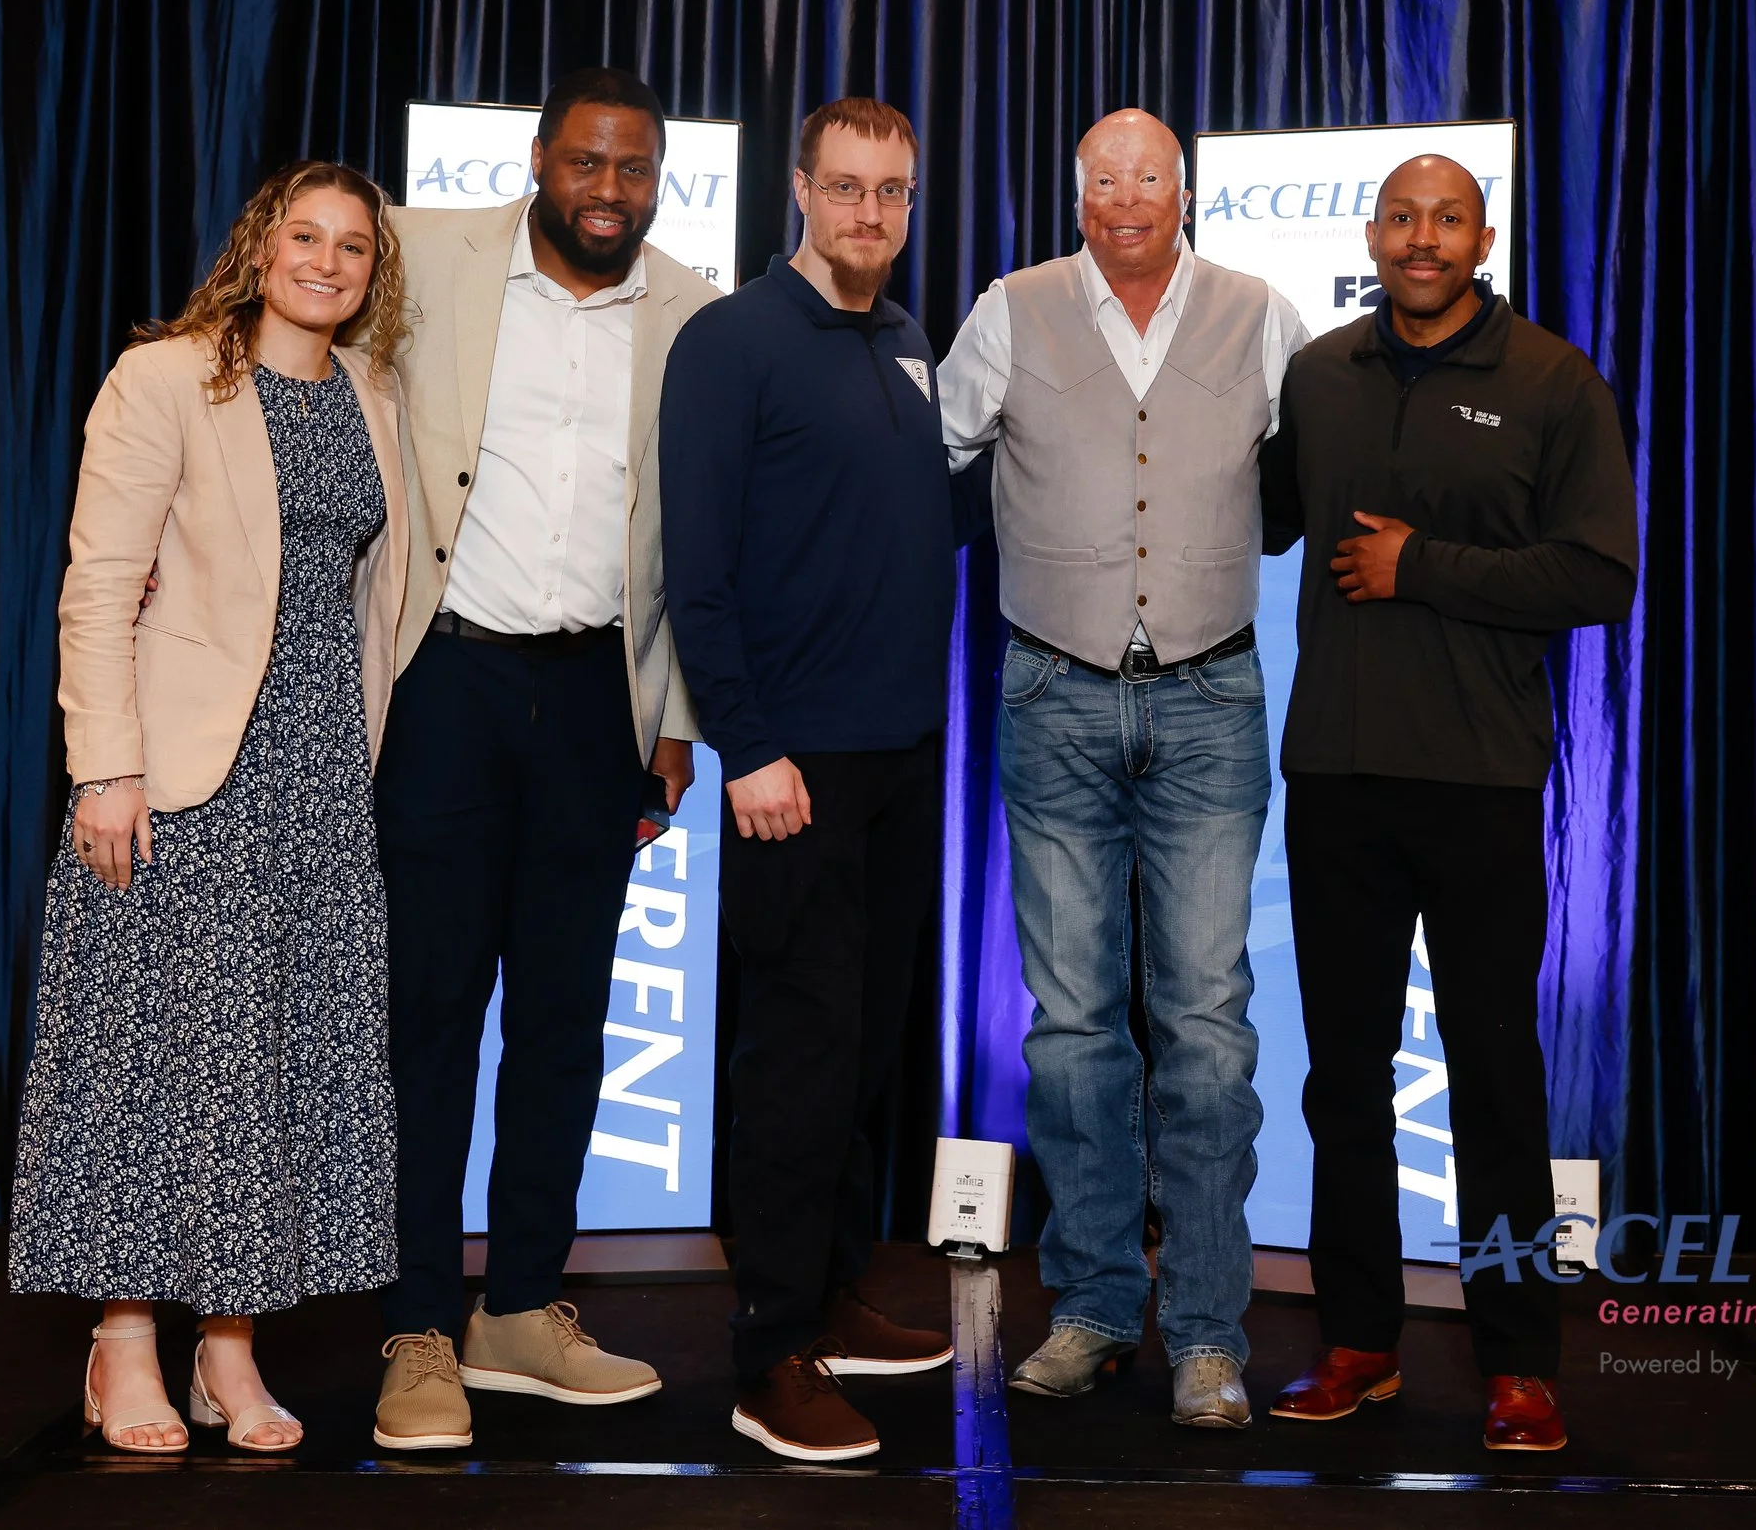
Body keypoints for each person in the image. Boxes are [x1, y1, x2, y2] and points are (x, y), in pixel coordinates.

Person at [9, 160, 412, 1455]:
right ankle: (122, 1340)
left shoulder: (372, 392)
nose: (328, 261)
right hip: (183, 778)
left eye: (353, 246)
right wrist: (104, 768)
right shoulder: (167, 377)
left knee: (274, 1069)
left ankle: (227, 1349)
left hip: (316, 782)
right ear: (262, 246)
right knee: (156, 1060)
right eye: (307, 235)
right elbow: (98, 583)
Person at [1259, 154, 1637, 1453]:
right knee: (1344, 1080)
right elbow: (1245, 519)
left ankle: (1520, 1358)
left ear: (1484, 236)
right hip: (1339, 779)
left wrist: (1424, 564)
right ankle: (1358, 1340)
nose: (1424, 240)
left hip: (1480, 779)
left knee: (1494, 1074)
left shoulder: (1551, 381)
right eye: (1403, 217)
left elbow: (1597, 573)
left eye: (1449, 219)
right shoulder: (1316, 377)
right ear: (1375, 234)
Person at [936, 109, 1306, 1429]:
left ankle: (1208, 1333)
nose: (1124, 197)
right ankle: (1093, 1305)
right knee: (1075, 1025)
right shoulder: (1011, 308)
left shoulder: (1261, 313)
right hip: (1053, 688)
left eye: (1147, 176)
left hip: (1212, 692)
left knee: (1206, 1027)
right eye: (1102, 178)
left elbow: (1313, 464)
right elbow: (932, 460)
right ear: (1077, 192)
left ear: (1185, 192)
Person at [369, 67, 708, 1450]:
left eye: (634, 170)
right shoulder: (423, 255)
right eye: (587, 163)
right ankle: (414, 1325)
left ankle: (519, 1304)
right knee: (432, 1016)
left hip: (595, 700)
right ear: (539, 159)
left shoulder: (691, 305)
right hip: (447, 681)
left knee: (567, 1021)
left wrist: (673, 713)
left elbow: (692, 532)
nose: (609, 192)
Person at [660, 97, 975, 1462]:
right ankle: (769, 1350)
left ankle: (834, 1291)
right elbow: (700, 564)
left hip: (904, 756)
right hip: (794, 762)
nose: (870, 214)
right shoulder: (729, 343)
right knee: (794, 1058)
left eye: (892, 192)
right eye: (846, 189)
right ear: (800, 190)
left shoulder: (905, 340)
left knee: (858, 1049)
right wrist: (749, 742)